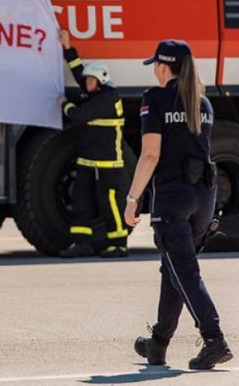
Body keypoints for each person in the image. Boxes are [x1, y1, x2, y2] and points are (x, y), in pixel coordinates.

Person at [127, 40, 232, 370]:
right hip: (204, 197)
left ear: (163, 67)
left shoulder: (154, 99)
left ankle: (214, 339)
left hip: (173, 198)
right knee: (173, 268)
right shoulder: (202, 102)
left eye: (156, 65)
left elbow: (150, 154)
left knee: (183, 270)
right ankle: (158, 343)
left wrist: (132, 200)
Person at [57, 30, 131, 258]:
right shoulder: (96, 90)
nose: (85, 83)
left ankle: (118, 244)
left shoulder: (108, 99)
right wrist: (68, 48)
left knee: (109, 203)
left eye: (90, 80)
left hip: (108, 163)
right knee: (81, 201)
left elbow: (78, 115)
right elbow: (80, 73)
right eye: (87, 80)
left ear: (100, 81)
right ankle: (82, 243)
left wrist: (64, 105)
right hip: (88, 160)